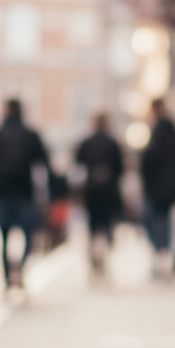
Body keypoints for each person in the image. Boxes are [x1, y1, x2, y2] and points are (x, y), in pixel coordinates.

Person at [0, 99, 48, 290]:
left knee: (4, 240)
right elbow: (44, 163)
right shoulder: (31, 135)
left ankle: (8, 278)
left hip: (4, 194)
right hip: (25, 194)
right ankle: (20, 271)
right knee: (28, 238)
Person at [139, 98, 175, 280]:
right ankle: (167, 261)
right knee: (166, 224)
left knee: (155, 224)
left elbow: (150, 161)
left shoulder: (157, 132)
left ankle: (162, 262)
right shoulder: (174, 132)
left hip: (157, 189)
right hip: (172, 188)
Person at [74, 113, 124, 279]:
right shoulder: (113, 143)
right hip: (109, 194)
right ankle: (105, 261)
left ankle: (93, 265)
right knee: (108, 228)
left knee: (92, 229)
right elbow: (120, 169)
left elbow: (78, 167)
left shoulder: (86, 143)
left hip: (91, 193)